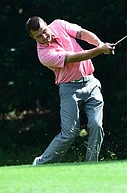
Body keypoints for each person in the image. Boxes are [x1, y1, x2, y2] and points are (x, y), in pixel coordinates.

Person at [25, 16, 115, 165]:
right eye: (39, 36)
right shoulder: (44, 54)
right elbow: (74, 58)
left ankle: (91, 164)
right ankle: (41, 163)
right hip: (69, 89)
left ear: (47, 24)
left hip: (91, 83)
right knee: (69, 133)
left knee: (96, 125)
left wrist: (99, 43)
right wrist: (100, 50)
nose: (44, 37)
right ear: (32, 37)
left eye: (44, 31)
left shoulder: (59, 24)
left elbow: (81, 33)